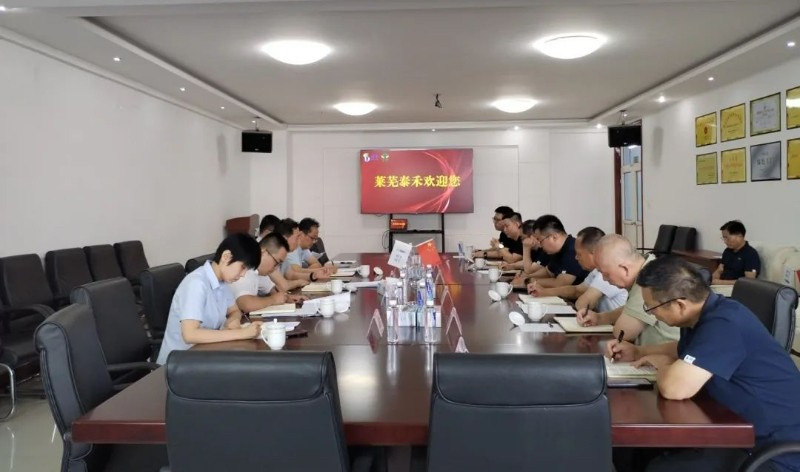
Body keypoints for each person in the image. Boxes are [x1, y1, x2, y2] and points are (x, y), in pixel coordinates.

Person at [607, 256, 800, 472]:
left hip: (772, 452)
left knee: (660, 468)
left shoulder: (725, 323)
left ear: (679, 305)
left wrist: (663, 365)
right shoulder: (703, 315)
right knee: (634, 451)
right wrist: (639, 351)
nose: (651, 313)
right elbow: (688, 349)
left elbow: (674, 388)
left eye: (651, 308)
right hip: (734, 429)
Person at [156, 234, 263, 364]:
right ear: (226, 257)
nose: (243, 275)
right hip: (178, 364)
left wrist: (232, 321)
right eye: (243, 267)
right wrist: (242, 333)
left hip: (204, 356)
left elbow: (235, 311)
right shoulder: (196, 283)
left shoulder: (222, 282)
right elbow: (190, 335)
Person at [583, 234, 679, 346]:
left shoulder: (649, 279)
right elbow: (630, 310)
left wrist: (608, 321)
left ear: (625, 268)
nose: (604, 279)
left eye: (606, 274)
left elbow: (622, 333)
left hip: (665, 354)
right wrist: (600, 318)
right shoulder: (647, 265)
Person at [530, 227, 628, 313]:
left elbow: (582, 304)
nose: (576, 257)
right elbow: (576, 290)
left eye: (579, 254)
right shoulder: (596, 271)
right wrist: (544, 292)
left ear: (594, 252)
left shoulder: (606, 273)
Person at [230, 232, 306, 314]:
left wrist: (287, 297)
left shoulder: (259, 271)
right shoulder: (245, 267)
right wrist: (273, 300)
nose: (276, 268)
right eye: (276, 262)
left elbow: (272, 290)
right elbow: (245, 305)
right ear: (263, 252)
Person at [523, 214, 589, 289]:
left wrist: (529, 281)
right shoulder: (557, 250)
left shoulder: (573, 250)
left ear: (554, 237)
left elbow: (559, 284)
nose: (540, 245)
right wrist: (527, 277)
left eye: (540, 240)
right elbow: (548, 272)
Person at [281, 218, 334, 282]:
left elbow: (317, 264)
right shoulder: (292, 250)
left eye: (316, 239)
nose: (314, 242)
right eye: (312, 238)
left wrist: (312, 273)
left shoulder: (303, 248)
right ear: (302, 234)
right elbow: (295, 273)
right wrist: (319, 271)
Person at [712, 220, 761, 285]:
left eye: (727, 238)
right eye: (723, 238)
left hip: (736, 288)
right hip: (720, 286)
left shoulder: (751, 254)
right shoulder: (727, 251)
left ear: (739, 236)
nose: (725, 241)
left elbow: (749, 282)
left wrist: (721, 282)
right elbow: (719, 271)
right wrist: (715, 277)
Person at [269, 220, 313, 291]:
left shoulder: (284, 254)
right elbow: (283, 286)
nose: (299, 240)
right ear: (284, 238)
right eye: (297, 237)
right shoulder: (270, 257)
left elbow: (291, 275)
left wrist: (313, 276)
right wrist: (299, 282)